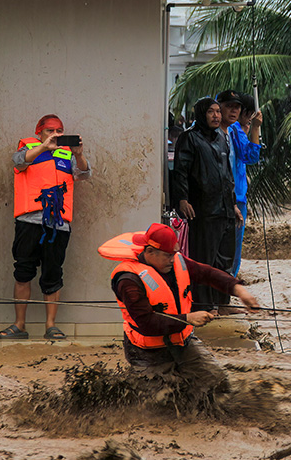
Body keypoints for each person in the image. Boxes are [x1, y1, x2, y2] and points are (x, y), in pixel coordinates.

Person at [99, 222, 259, 408]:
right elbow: (146, 323)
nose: (173, 259)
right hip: (146, 352)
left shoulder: (176, 262)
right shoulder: (128, 280)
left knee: (217, 383)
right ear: (150, 252)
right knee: (161, 405)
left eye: (174, 253)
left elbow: (206, 273)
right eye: (168, 255)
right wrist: (188, 319)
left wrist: (239, 290)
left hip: (181, 342)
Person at [0, 114, 92, 341]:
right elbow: (19, 162)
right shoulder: (28, 148)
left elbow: (84, 174)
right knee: (23, 271)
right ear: (39, 132)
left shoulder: (67, 154)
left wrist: (79, 155)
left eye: (59, 130)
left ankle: (51, 325)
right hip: (29, 221)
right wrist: (43, 147)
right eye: (50, 130)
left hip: (58, 225)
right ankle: (19, 324)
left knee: (52, 273)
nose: (55, 134)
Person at [172, 97, 237, 309]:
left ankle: (222, 303)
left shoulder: (221, 138)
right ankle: (203, 306)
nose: (217, 116)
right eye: (211, 111)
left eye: (218, 111)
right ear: (201, 114)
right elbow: (180, 171)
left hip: (225, 209)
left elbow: (227, 174)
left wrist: (234, 205)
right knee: (204, 261)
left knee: (224, 261)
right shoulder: (189, 138)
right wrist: (182, 199)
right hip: (203, 209)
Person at [216, 90, 263, 276]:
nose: (249, 118)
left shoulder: (233, 131)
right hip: (232, 196)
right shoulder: (234, 130)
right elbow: (251, 156)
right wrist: (256, 130)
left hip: (236, 196)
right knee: (231, 246)